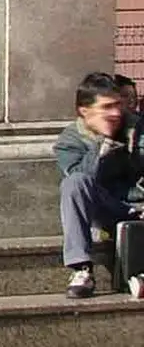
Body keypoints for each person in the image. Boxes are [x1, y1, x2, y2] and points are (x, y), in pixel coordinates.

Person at [56, 71, 144, 300]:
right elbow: (84, 182)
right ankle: (81, 270)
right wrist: (102, 145)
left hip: (139, 205)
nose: (115, 113)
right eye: (106, 107)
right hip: (106, 207)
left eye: (117, 105)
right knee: (74, 182)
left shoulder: (137, 128)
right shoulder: (69, 141)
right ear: (85, 111)